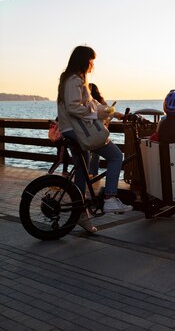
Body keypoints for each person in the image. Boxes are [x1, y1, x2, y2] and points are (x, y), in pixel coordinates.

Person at [57, 45, 132, 233]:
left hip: (69, 130)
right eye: (91, 61)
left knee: (83, 171)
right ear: (84, 61)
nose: (92, 66)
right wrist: (94, 113)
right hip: (76, 131)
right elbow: (74, 107)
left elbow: (93, 105)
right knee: (115, 156)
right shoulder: (75, 80)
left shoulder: (71, 79)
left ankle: (81, 214)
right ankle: (110, 198)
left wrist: (116, 114)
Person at [88, 82, 123, 178]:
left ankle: (88, 175)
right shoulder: (98, 101)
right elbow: (109, 111)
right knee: (114, 156)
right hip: (98, 132)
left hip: (87, 133)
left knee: (88, 154)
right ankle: (94, 174)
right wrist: (118, 115)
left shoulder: (87, 101)